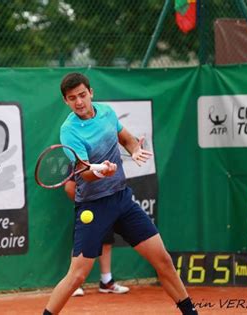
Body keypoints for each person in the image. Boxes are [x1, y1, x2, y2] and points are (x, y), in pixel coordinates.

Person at [43, 73, 197, 315]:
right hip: (93, 207)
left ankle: (190, 312)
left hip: (122, 199)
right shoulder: (69, 131)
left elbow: (126, 139)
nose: (79, 102)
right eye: (72, 98)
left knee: (163, 260)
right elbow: (85, 173)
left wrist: (135, 149)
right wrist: (100, 172)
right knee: (77, 276)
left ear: (91, 93)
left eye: (82, 95)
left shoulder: (106, 113)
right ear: (66, 102)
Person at [64, 178, 129, 296]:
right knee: (82, 245)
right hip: (88, 208)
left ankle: (106, 281)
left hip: (106, 206)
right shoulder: (80, 160)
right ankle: (74, 285)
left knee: (106, 241)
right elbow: (69, 187)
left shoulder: (109, 160)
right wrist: (83, 203)